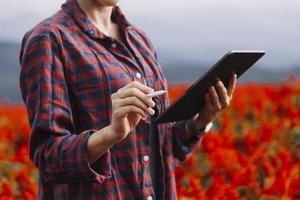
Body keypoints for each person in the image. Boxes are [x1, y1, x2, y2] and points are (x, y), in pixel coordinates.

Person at [19, 0, 237, 199]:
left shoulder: (139, 39)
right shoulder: (49, 39)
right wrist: (111, 134)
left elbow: (160, 148)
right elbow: (47, 157)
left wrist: (202, 119)